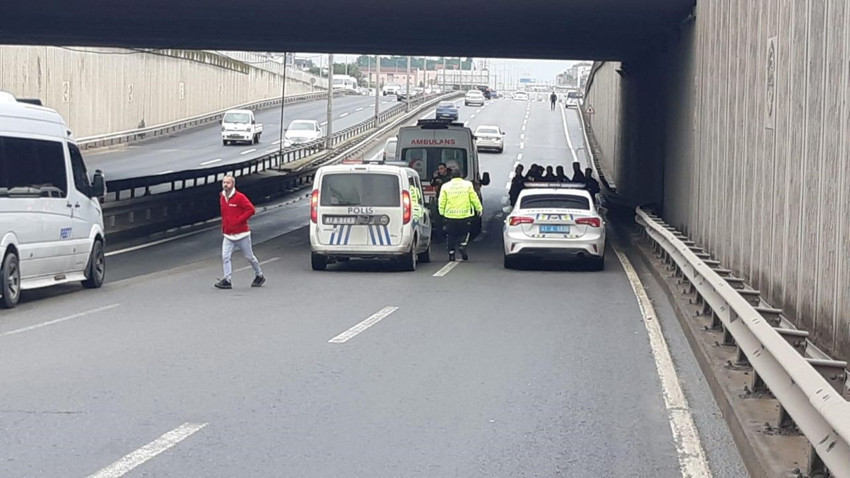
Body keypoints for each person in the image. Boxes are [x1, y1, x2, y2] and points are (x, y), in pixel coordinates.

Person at [215, 175, 265, 289]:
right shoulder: (222, 197)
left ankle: (259, 275)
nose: (225, 185)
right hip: (228, 235)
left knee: (249, 257)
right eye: (224, 183)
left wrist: (239, 220)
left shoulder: (240, 197)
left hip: (242, 234)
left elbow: (251, 210)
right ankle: (227, 279)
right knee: (225, 256)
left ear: (233, 184)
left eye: (228, 183)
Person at [438, 168, 483, 262]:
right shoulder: (467, 185)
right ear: (461, 176)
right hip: (464, 215)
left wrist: (441, 212)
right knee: (465, 233)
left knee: (451, 235)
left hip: (450, 215)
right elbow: (473, 197)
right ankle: (463, 245)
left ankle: (451, 254)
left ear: (451, 176)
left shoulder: (445, 186)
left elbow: (442, 201)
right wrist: (479, 208)